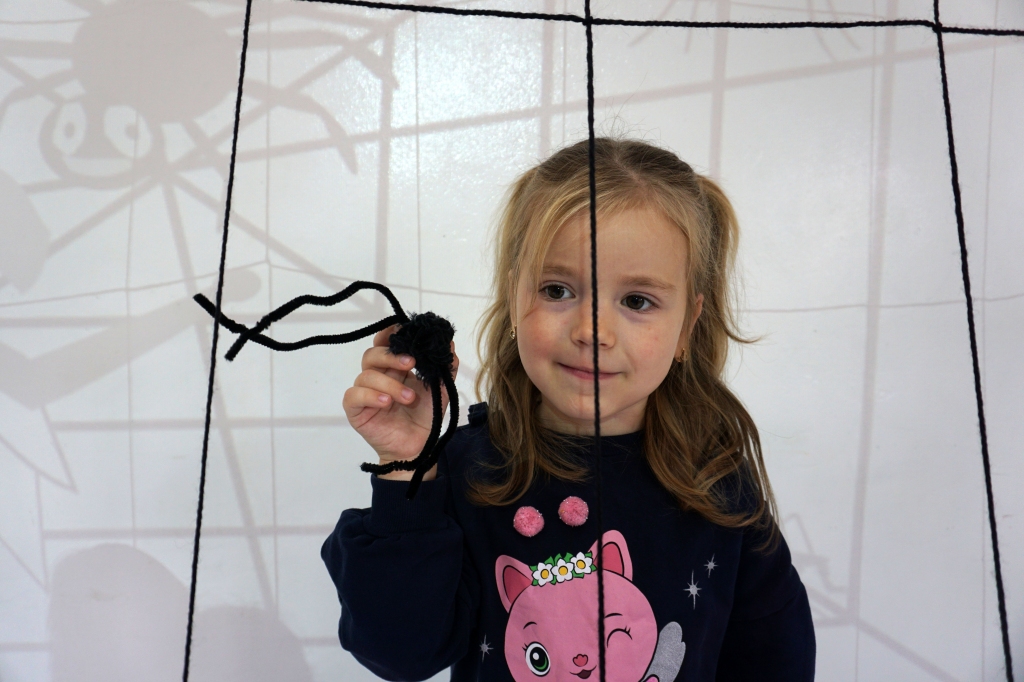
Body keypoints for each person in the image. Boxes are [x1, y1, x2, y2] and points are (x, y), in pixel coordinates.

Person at [322, 138, 815, 681]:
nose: (592, 331)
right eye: (557, 290)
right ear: (514, 299)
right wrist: (408, 467)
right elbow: (400, 651)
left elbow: (774, 658)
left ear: (687, 327)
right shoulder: (462, 470)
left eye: (637, 301)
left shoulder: (715, 481)